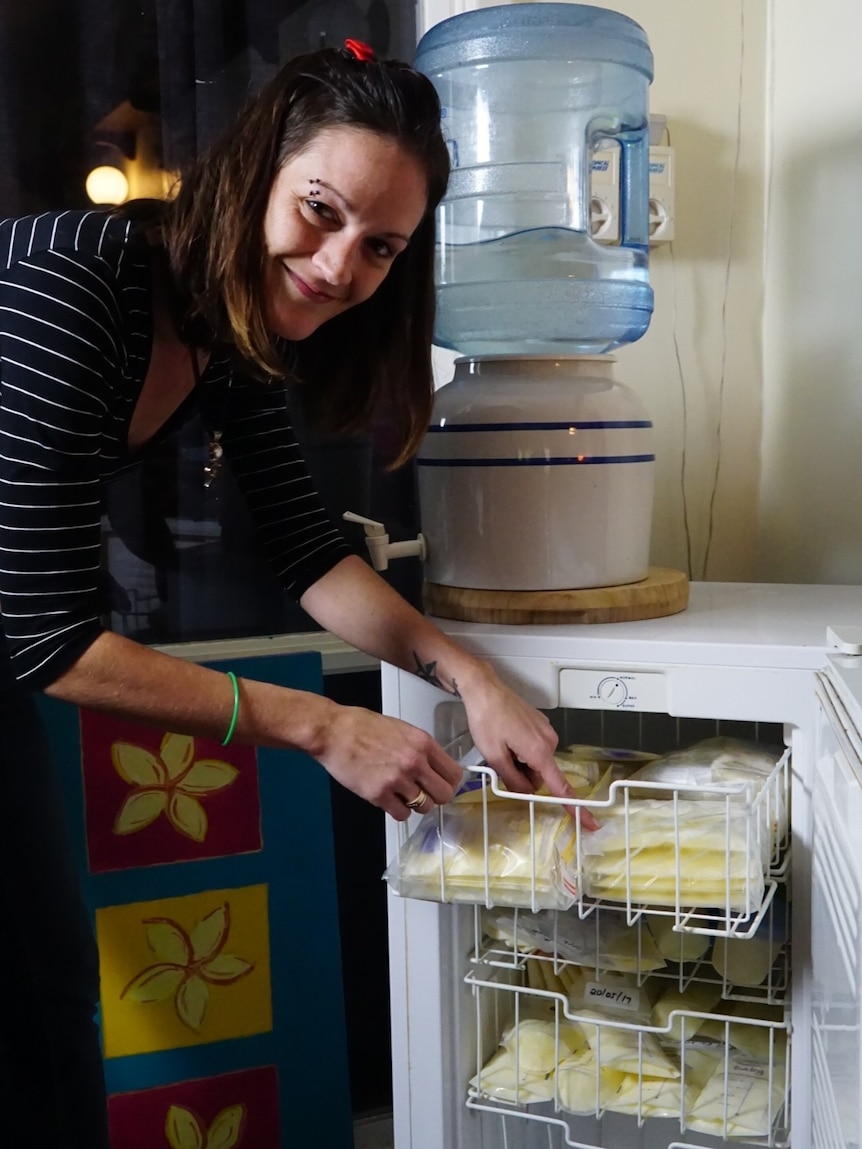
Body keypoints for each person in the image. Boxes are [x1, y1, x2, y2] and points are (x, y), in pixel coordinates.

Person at [0, 42, 580, 1148]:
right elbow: (51, 639)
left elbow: (310, 555)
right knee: (32, 1009)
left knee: (43, 994)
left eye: (380, 248)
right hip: (18, 634)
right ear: (255, 170)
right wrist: (323, 726)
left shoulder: (224, 337)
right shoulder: (81, 280)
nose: (336, 264)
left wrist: (471, 677)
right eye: (320, 211)